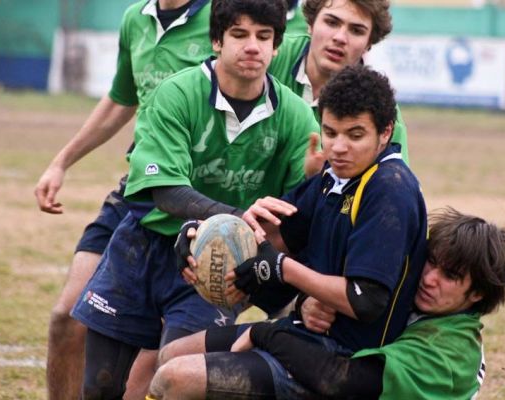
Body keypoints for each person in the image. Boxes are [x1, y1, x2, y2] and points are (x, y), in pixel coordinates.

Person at [70, 0, 319, 397]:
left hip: (220, 264)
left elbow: (294, 216)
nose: (252, 46)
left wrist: (308, 184)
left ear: (276, 47)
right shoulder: (177, 93)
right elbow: (165, 190)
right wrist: (235, 218)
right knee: (100, 386)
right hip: (143, 248)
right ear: (217, 40)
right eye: (239, 34)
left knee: (182, 377)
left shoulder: (295, 117)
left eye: (263, 36)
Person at [149, 64, 428, 399]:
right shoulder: (333, 178)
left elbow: (364, 300)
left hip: (340, 361)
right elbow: (275, 234)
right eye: (330, 132)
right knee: (172, 354)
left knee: (177, 378)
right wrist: (202, 233)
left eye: (355, 135)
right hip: (302, 333)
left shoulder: (389, 187)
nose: (338, 148)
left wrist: (283, 269)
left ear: (385, 132)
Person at [34, 1, 213, 398]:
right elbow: (121, 98)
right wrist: (61, 161)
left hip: (193, 202)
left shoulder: (223, 18)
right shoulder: (136, 18)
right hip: (136, 191)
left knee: (157, 361)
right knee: (66, 317)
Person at [227, 207, 505, 399]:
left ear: (478, 293)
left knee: (190, 377)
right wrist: (307, 302)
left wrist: (265, 334)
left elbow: (345, 382)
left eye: (450, 275)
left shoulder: (450, 355)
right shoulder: (419, 299)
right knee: (180, 353)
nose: (429, 278)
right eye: (431, 261)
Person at [270, 0, 411, 164]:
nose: (340, 38)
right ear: (310, 23)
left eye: (356, 30)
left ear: (369, 43)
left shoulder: (381, 109)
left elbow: (395, 183)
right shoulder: (268, 57)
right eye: (331, 22)